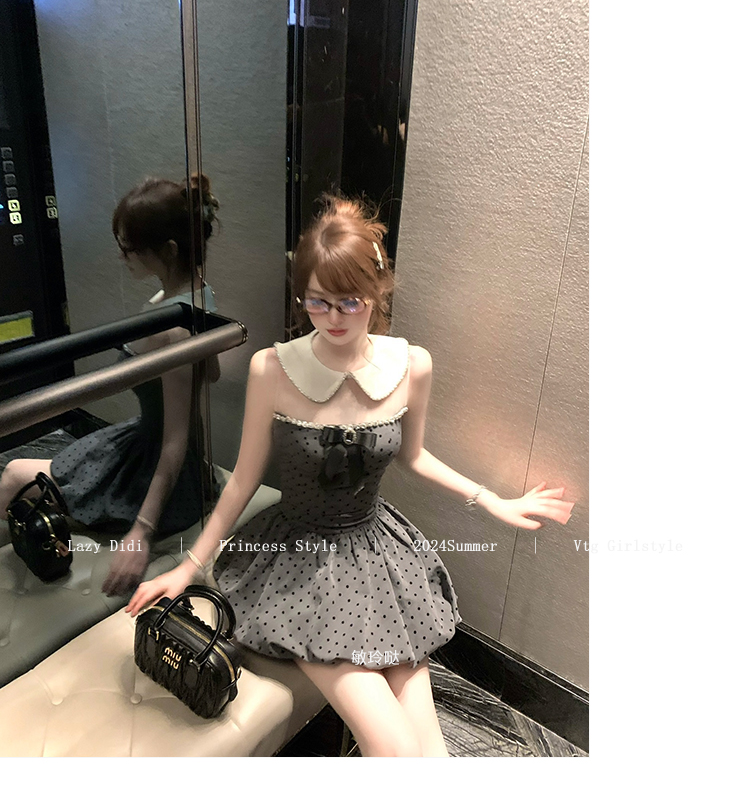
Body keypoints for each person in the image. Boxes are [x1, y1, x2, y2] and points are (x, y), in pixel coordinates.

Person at [126, 194, 574, 757]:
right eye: (317, 302)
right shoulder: (273, 369)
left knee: (431, 756)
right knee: (395, 751)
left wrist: (494, 500)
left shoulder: (412, 365)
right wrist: (188, 567)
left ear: (377, 292)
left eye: (349, 302)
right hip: (298, 566)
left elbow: (414, 456)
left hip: (379, 557)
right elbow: (242, 480)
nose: (333, 318)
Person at [0, 174, 221, 595]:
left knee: (13, 475)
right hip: (142, 441)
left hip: (158, 466)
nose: (123, 257)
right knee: (25, 479)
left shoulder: (173, 328)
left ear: (168, 250)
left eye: (131, 248)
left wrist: (142, 531)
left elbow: (174, 441)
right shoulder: (197, 296)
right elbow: (211, 375)